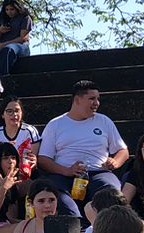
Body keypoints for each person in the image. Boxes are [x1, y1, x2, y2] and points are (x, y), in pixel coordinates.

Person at [36, 81, 129, 216]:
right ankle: (76, 222)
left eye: (98, 99)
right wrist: (67, 171)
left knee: (111, 190)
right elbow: (43, 159)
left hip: (98, 172)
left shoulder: (104, 121)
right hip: (64, 174)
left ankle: (107, 228)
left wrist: (115, 162)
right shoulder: (56, 124)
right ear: (77, 100)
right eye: (92, 99)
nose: (96, 103)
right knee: (53, 190)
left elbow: (123, 151)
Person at [0, 0, 33, 76]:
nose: (9, 12)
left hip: (20, 46)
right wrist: (0, 31)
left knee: (7, 50)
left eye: (12, 9)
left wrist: (4, 44)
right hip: (2, 45)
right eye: (7, 10)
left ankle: (5, 75)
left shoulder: (25, 18)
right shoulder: (0, 18)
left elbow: (23, 38)